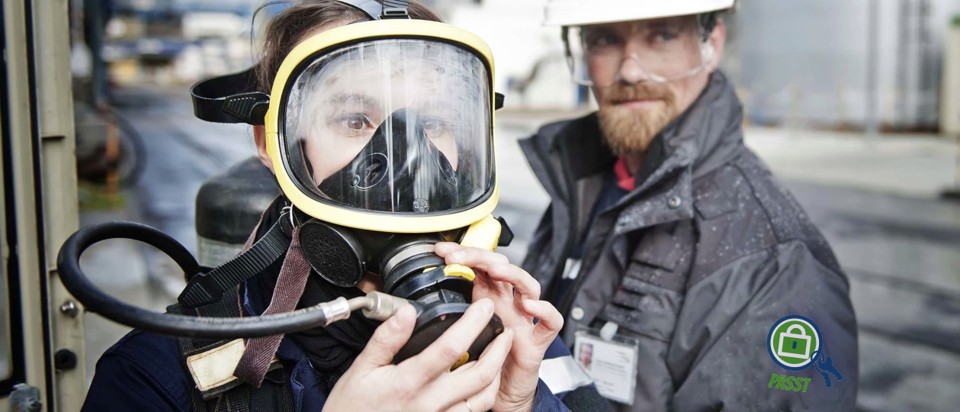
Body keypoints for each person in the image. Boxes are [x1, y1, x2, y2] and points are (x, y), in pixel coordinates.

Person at [83, 1, 608, 411]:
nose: (408, 155)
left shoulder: (509, 332)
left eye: (434, 124)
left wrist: (520, 403)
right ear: (274, 143)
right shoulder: (157, 375)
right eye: (356, 120)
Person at [521, 1, 859, 410]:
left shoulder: (774, 263)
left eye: (661, 36)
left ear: (711, 44)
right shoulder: (582, 187)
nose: (630, 71)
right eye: (606, 39)